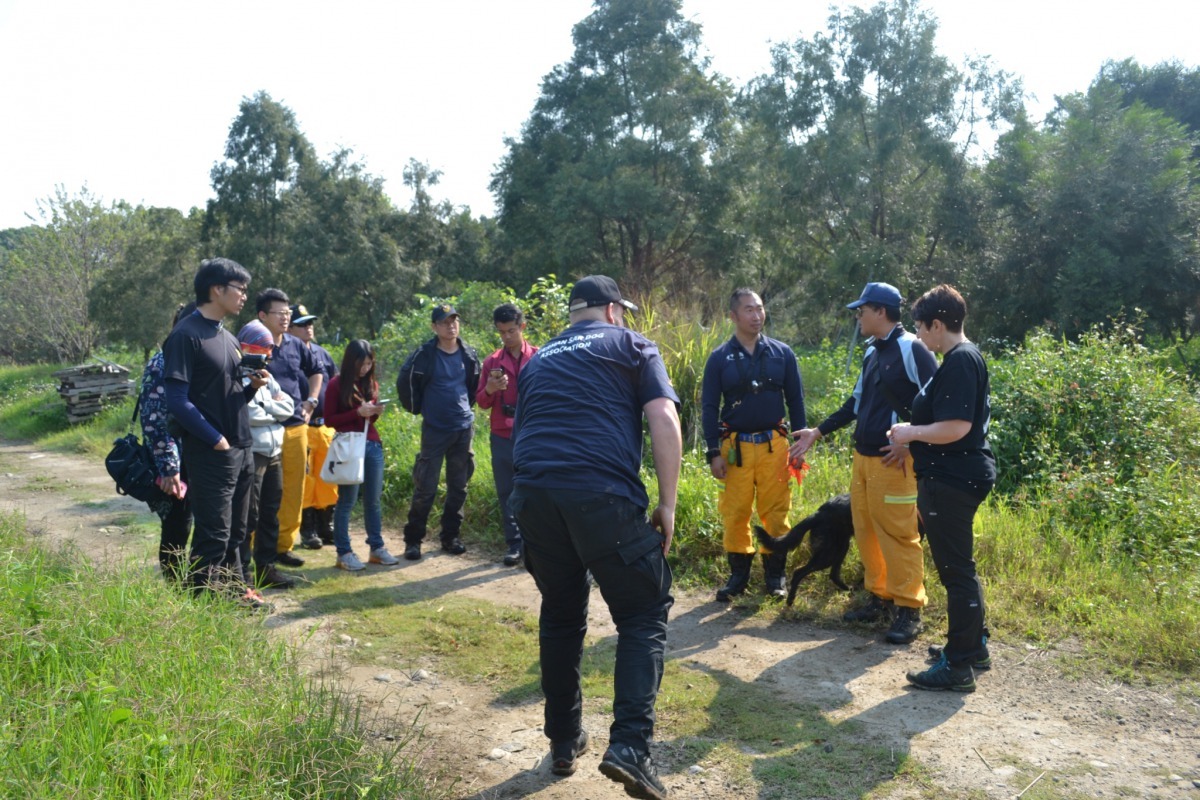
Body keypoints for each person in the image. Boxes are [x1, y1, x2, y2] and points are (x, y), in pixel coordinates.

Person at [509, 275, 681, 800]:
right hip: (600, 492)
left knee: (561, 612)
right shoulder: (631, 343)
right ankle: (631, 747)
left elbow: (525, 432)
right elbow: (663, 416)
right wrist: (668, 505)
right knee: (642, 610)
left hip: (532, 495)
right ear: (611, 311)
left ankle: (564, 739)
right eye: (622, 311)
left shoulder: (538, 360)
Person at [790, 281, 939, 645]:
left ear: (881, 312)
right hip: (863, 459)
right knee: (868, 529)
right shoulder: (873, 353)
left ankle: (909, 608)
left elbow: (937, 403)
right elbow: (855, 405)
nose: (859, 316)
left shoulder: (913, 349)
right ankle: (880, 597)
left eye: (863, 310)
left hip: (895, 462)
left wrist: (913, 443)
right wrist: (817, 433)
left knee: (899, 535)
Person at [889, 284, 996, 692]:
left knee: (956, 573)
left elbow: (956, 428)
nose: (918, 336)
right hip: (954, 477)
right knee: (960, 568)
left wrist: (908, 432)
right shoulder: (962, 359)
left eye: (920, 327)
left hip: (952, 480)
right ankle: (972, 646)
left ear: (938, 324)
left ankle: (958, 665)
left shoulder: (959, 362)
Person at [163, 258, 270, 609]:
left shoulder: (226, 337)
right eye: (239, 289)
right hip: (212, 450)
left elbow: (227, 394)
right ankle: (199, 612)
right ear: (216, 289)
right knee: (213, 535)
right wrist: (214, 438)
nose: (244, 297)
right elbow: (177, 400)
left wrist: (252, 388)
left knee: (237, 533)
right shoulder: (185, 335)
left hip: (241, 445)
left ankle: (230, 595)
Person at [701, 288, 806, 601]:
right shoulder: (719, 358)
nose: (756, 315)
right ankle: (738, 577)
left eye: (759, 308)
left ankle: (775, 577)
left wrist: (799, 444)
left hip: (775, 446)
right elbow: (708, 407)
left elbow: (796, 400)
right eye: (749, 310)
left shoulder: (782, 353)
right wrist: (712, 453)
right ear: (733, 316)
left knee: (776, 512)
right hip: (736, 450)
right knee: (735, 512)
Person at [397, 304, 481, 560]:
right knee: (426, 487)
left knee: (459, 487)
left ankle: (450, 537)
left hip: (463, 428)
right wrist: (418, 409)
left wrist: (467, 409)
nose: (451, 325)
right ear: (434, 327)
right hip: (434, 430)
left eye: (454, 320)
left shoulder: (468, 354)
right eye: (444, 322)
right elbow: (405, 382)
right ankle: (413, 541)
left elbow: (473, 385)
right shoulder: (424, 355)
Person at [255, 289, 324, 563]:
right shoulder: (252, 344)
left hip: (295, 426)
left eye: (288, 313)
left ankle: (283, 546)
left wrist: (311, 401)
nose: (286, 318)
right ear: (262, 315)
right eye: (279, 313)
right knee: (258, 491)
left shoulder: (296, 345)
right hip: (261, 428)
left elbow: (316, 371)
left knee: (293, 489)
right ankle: (252, 547)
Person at [324, 340, 400, 570]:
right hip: (349, 447)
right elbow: (329, 420)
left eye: (369, 363)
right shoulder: (337, 384)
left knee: (373, 501)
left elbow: (369, 420)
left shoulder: (372, 384)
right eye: (361, 363)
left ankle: (376, 548)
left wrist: (374, 412)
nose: (365, 368)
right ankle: (343, 552)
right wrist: (357, 412)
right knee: (346, 501)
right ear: (351, 361)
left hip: (372, 444)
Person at [475, 302, 538, 566]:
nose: (506, 337)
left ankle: (537, 545)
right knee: (506, 491)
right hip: (501, 434)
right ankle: (514, 545)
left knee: (536, 491)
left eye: (511, 331)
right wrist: (490, 388)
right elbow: (481, 402)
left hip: (531, 434)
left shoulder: (538, 356)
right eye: (501, 332)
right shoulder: (491, 362)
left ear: (522, 327)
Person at [237, 320, 298, 590]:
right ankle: (244, 573)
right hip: (254, 453)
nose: (267, 355)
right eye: (262, 348)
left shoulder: (267, 375)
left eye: (269, 349)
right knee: (249, 515)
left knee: (271, 512)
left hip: (275, 452)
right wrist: (273, 412)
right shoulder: (238, 374)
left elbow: (288, 406)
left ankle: (267, 567)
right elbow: (248, 413)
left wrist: (272, 410)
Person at [139, 302, 196, 582]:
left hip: (197, 455)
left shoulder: (192, 358)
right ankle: (177, 590)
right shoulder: (162, 362)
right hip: (173, 459)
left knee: (193, 524)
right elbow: (154, 420)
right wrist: (168, 467)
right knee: (177, 526)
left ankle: (199, 583)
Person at [290, 304, 340, 547]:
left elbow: (336, 384)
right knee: (306, 481)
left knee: (328, 479)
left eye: (310, 323)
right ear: (289, 329)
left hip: (325, 427)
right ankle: (308, 530)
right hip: (302, 427)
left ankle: (325, 525)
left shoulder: (321, 353)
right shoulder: (289, 355)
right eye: (302, 324)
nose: (308, 328)